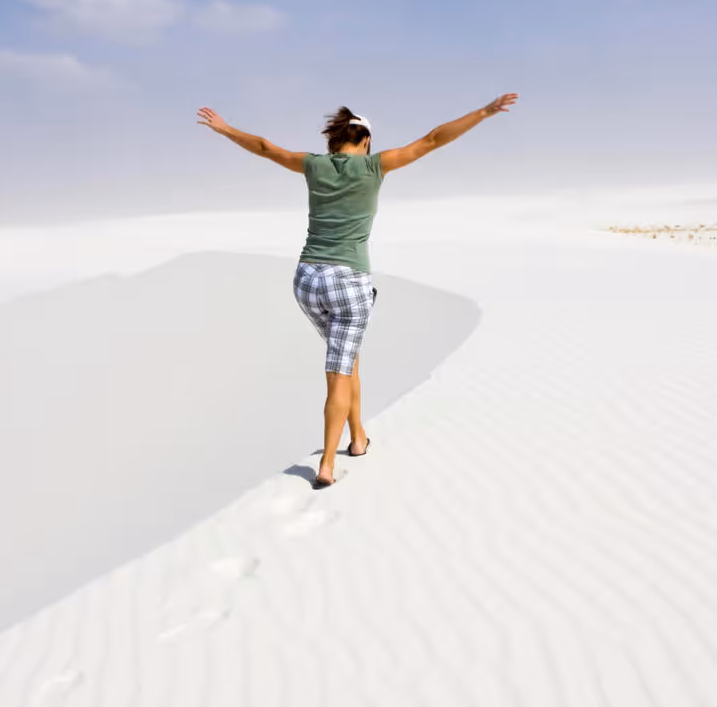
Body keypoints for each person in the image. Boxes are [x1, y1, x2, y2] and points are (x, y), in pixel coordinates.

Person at [197, 93, 520, 488]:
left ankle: (358, 437)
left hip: (307, 281)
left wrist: (225, 128)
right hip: (348, 283)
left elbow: (265, 148)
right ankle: (327, 464)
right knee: (337, 373)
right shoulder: (374, 166)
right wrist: (485, 112)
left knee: (346, 358)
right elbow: (434, 139)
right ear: (365, 140)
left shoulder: (313, 165)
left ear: (334, 142)